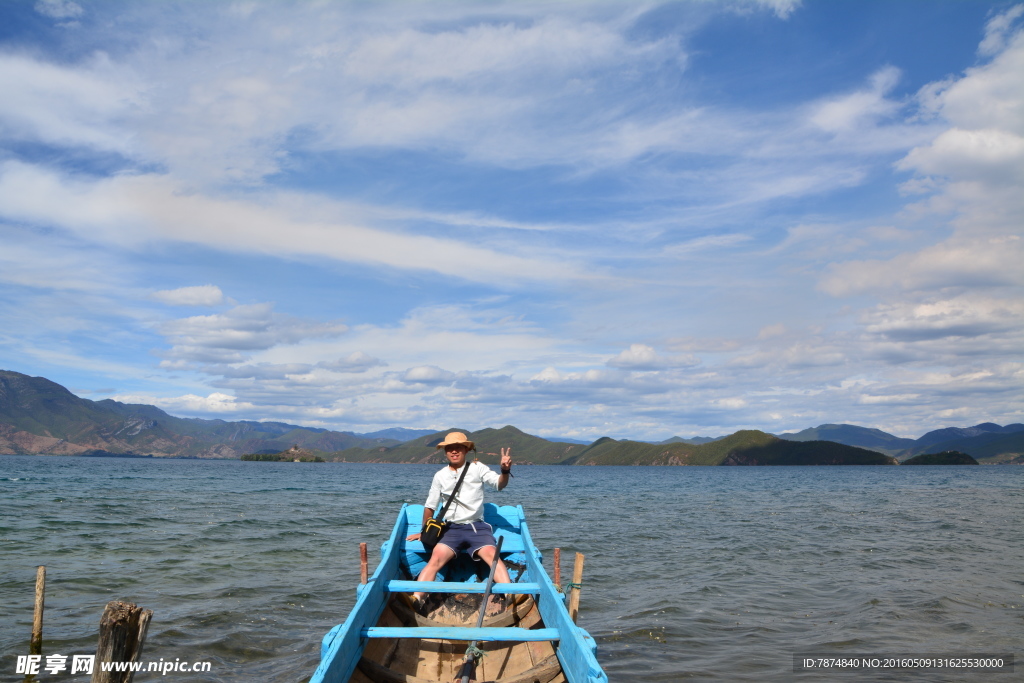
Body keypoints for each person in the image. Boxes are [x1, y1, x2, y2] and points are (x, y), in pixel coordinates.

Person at [405, 431, 512, 610]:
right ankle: (417, 598)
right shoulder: (440, 475)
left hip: (476, 527)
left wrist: (505, 471)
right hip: (451, 529)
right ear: (445, 452)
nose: (454, 451)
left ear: (466, 450)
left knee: (492, 556)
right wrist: (424, 532)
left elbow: (499, 484)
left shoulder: (477, 468)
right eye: (450, 448)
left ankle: (510, 595)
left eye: (458, 448)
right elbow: (430, 506)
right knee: (435, 559)